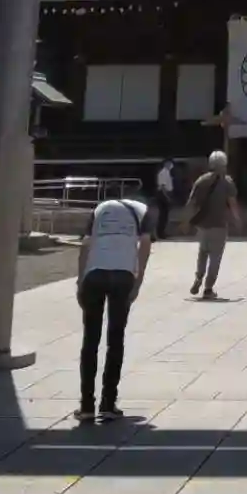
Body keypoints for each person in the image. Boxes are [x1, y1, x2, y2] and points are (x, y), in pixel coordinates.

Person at [76, 194, 152, 422]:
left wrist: (80, 281)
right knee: (115, 339)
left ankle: (86, 405)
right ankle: (108, 403)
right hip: (123, 275)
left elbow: (85, 244)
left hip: (94, 274)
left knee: (90, 340)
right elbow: (145, 244)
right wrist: (138, 280)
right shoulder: (142, 211)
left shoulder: (99, 209)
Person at [186, 150, 241, 298]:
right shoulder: (227, 182)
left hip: (202, 224)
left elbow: (191, 203)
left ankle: (198, 277)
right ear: (224, 164)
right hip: (219, 225)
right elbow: (232, 204)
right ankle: (208, 288)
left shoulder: (201, 180)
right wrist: (237, 220)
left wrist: (186, 221)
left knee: (203, 253)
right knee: (215, 257)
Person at [154, 159, 175, 240]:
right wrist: (167, 197)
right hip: (163, 194)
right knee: (163, 215)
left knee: (165, 215)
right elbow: (163, 187)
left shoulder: (167, 173)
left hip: (166, 193)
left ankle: (162, 232)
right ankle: (160, 233)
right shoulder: (163, 173)